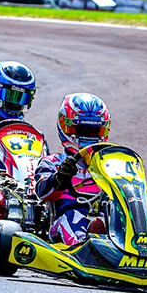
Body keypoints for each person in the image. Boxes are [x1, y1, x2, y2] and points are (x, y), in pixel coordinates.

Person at [34, 93, 111, 245]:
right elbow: (41, 192)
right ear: (66, 127)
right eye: (83, 130)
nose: (89, 136)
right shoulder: (52, 163)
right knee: (73, 217)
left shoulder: (108, 165)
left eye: (94, 131)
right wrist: (59, 177)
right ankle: (84, 246)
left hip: (104, 220)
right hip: (63, 222)